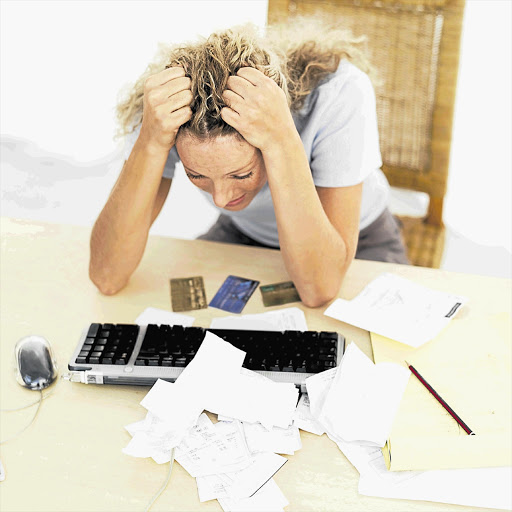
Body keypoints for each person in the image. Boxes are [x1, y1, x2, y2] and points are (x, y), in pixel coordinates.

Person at [89, 19, 408, 307]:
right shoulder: (165, 113)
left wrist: (281, 139)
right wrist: (149, 142)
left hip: (359, 239)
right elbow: (106, 276)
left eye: (241, 174)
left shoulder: (338, 93)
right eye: (197, 175)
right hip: (243, 231)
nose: (221, 199)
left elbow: (319, 289)